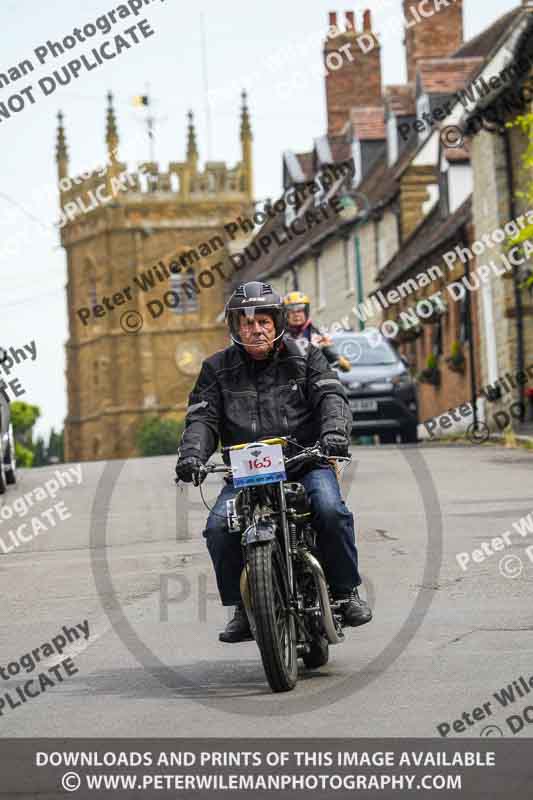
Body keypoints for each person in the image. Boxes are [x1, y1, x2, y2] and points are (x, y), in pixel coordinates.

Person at [175, 281, 371, 643]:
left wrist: (334, 434)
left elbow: (331, 396)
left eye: (263, 321)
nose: (256, 329)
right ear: (235, 328)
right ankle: (241, 607)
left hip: (305, 461)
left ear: (276, 321)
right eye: (247, 323)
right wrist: (192, 456)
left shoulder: (307, 356)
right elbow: (202, 419)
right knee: (219, 528)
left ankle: (345, 593)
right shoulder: (215, 369)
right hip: (245, 473)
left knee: (330, 510)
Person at [283, 291, 351, 372]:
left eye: (300, 311)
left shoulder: (317, 335)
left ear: (306, 312)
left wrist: (336, 357)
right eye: (292, 311)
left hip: (313, 379)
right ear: (286, 314)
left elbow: (344, 366)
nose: (296, 315)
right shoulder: (279, 335)